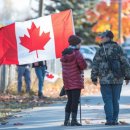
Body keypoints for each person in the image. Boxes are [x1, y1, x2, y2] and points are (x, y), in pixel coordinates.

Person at [91, 30, 130, 125]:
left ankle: (109, 120)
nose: (101, 38)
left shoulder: (100, 50)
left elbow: (95, 64)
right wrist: (128, 76)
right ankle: (115, 120)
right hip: (118, 78)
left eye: (103, 36)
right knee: (115, 100)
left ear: (108, 37)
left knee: (108, 100)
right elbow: (125, 62)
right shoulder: (118, 48)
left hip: (104, 79)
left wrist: (94, 77)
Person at [60, 35, 87, 126]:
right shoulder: (77, 53)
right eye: (80, 44)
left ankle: (66, 120)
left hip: (67, 80)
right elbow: (83, 66)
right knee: (75, 101)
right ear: (76, 44)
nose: (80, 45)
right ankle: (74, 120)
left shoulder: (65, 53)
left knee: (70, 100)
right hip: (75, 80)